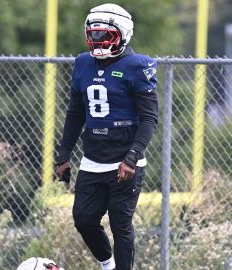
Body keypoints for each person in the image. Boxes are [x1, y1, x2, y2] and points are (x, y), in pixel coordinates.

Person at [56, 3, 158, 270]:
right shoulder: (82, 63)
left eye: (104, 35)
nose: (98, 41)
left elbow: (149, 119)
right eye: (94, 35)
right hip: (93, 157)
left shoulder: (138, 66)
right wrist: (64, 154)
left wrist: (132, 158)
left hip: (125, 159)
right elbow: (75, 114)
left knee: (120, 225)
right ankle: (108, 265)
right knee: (84, 219)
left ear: (122, 34)